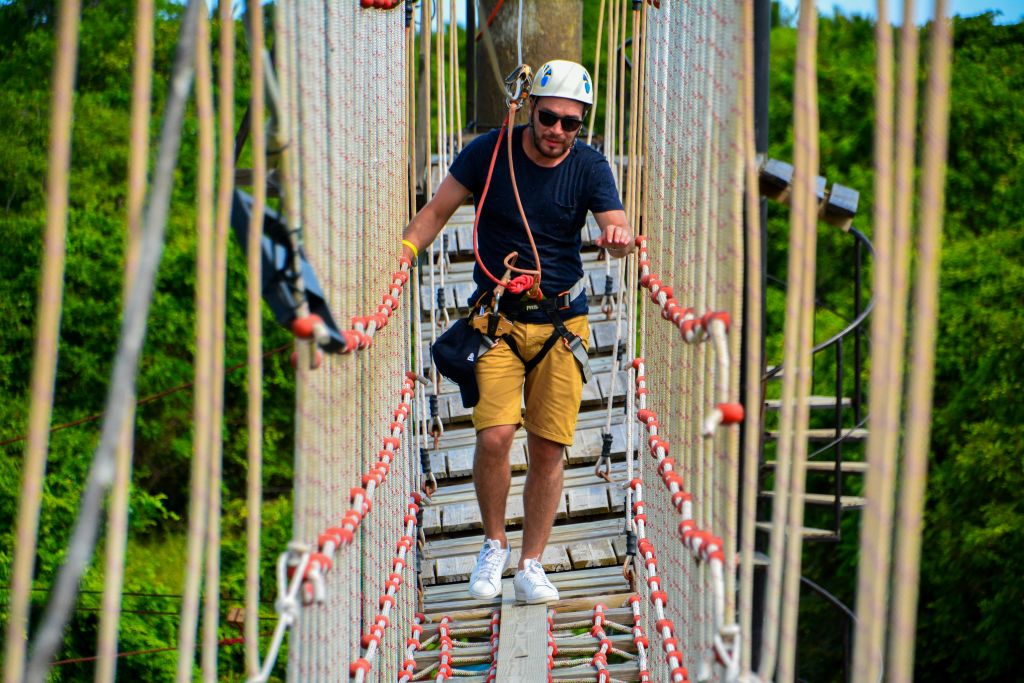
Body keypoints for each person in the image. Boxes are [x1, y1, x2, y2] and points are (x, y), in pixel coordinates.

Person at [401, 59, 633, 604]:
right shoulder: (489, 151)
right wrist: (403, 258)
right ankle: (493, 545)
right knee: (496, 435)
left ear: (582, 124)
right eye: (548, 117)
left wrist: (618, 237)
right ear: (531, 109)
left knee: (550, 449)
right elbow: (436, 212)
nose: (557, 131)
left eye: (570, 123)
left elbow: (612, 220)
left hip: (561, 324)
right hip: (497, 321)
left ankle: (531, 564)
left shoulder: (591, 167)